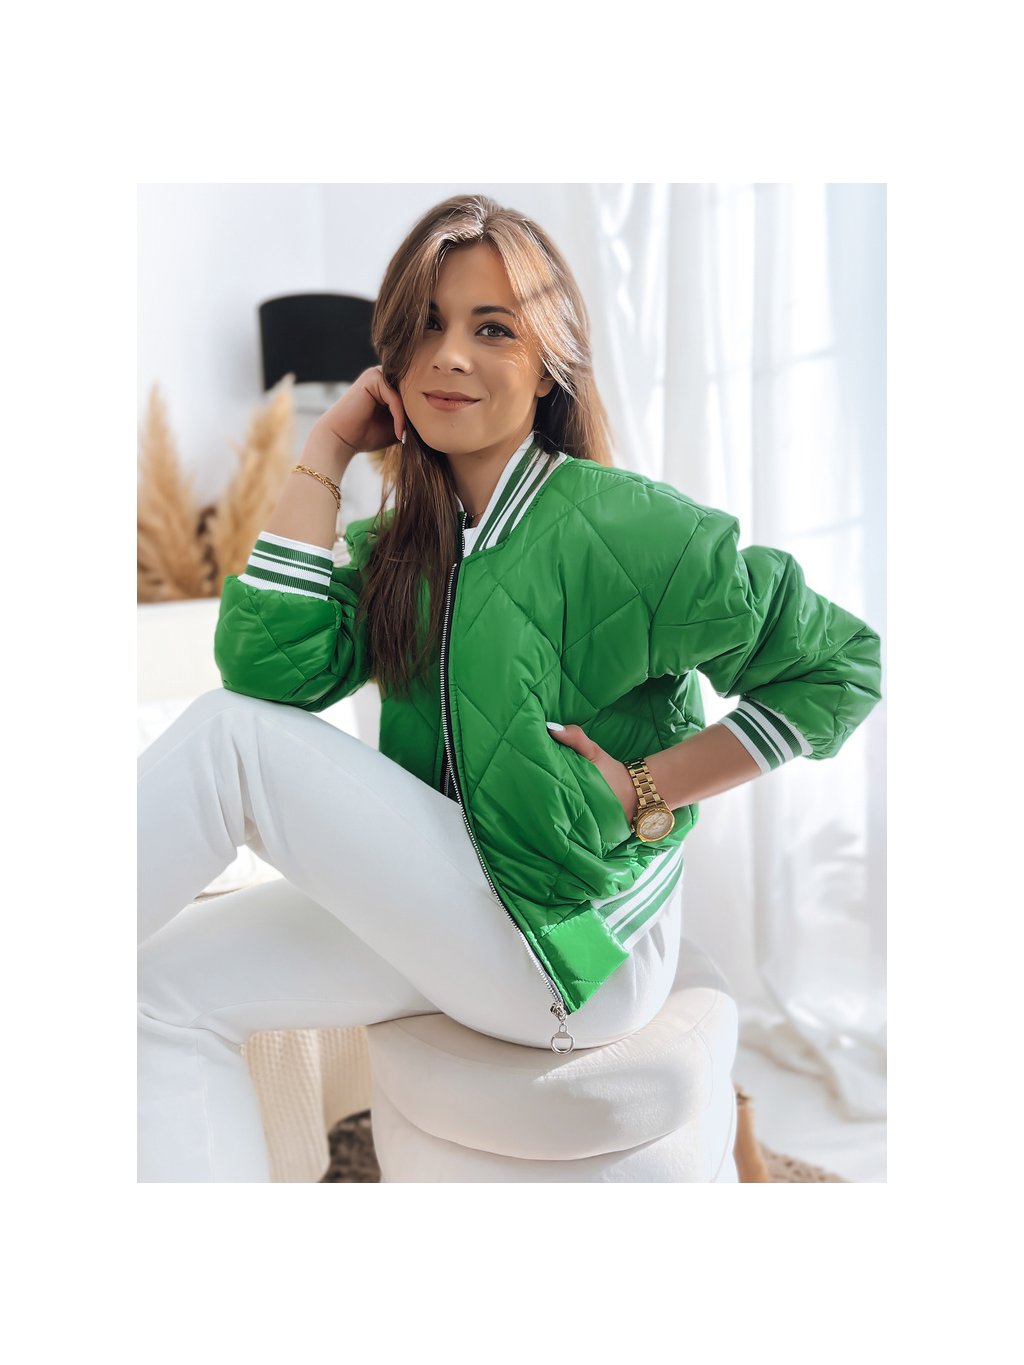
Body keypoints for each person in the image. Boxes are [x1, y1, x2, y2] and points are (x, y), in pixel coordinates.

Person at [138, 193, 883, 1182]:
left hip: (572, 945)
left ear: (549, 363)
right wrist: (324, 452)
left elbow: (843, 665)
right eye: (425, 326)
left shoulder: (629, 527)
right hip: (460, 910)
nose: (450, 355)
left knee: (227, 738)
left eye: (492, 328)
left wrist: (644, 788)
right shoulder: (403, 546)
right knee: (152, 991)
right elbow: (271, 670)